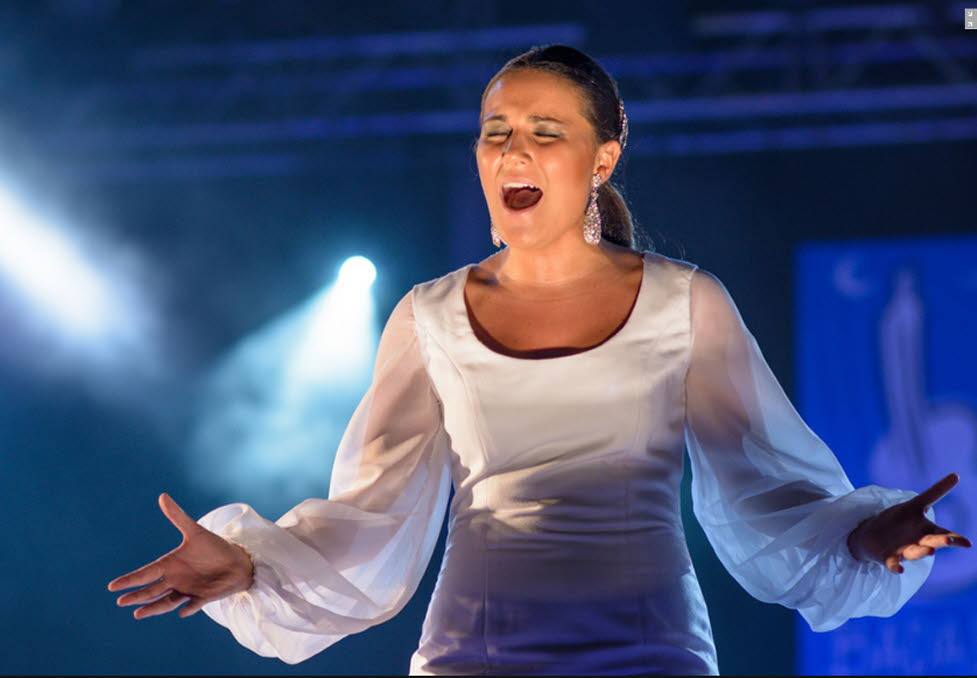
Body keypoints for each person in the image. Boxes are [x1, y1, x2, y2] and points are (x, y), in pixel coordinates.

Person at [107, 45, 972, 675]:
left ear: (602, 159)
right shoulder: (428, 316)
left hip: (651, 653)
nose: (512, 151)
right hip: (472, 655)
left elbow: (766, 490)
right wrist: (254, 563)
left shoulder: (684, 302)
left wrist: (861, 534)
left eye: (543, 132)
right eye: (496, 132)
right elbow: (368, 513)